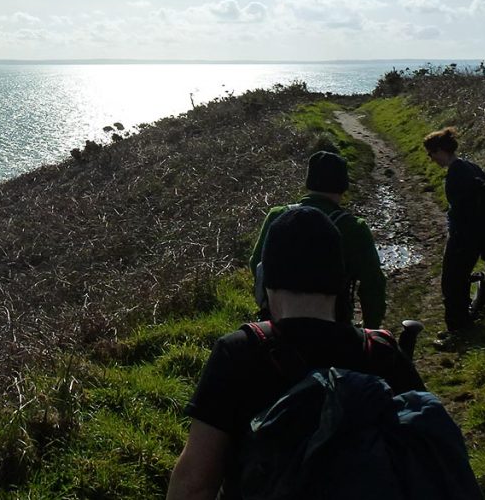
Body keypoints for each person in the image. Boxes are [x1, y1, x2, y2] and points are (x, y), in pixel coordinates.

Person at [168, 206, 425, 499]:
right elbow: (426, 464)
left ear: (266, 280)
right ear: (340, 280)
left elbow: (195, 483)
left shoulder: (238, 352)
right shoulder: (381, 351)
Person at [250, 151, 387, 328]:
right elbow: (373, 285)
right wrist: (371, 328)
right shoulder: (354, 228)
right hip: (333, 326)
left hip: (278, 323)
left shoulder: (277, 215)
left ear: (309, 182)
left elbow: (256, 263)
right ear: (343, 186)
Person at [424, 127, 485, 343]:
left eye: (431, 153)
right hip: (483, 234)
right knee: (459, 278)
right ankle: (475, 308)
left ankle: (458, 331)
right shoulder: (469, 166)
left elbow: (463, 209)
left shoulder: (456, 173)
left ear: (440, 150)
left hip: (463, 237)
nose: (430, 158)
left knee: (451, 282)